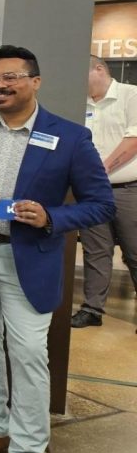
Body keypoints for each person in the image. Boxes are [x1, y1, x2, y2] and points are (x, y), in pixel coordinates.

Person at [0, 45, 114, 453]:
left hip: (31, 259)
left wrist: (52, 219)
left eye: (11, 78)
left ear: (35, 81)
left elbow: (101, 203)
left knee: (27, 356)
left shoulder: (70, 137)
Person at [73, 55, 137, 329]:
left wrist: (102, 168)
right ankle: (92, 308)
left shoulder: (130, 95)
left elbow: (134, 140)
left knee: (134, 252)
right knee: (95, 251)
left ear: (99, 69)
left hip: (127, 189)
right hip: (91, 193)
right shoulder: (80, 103)